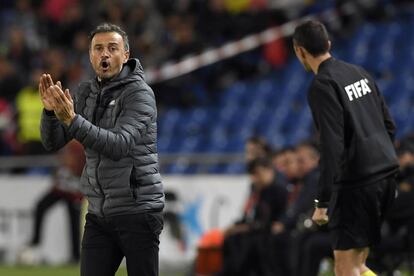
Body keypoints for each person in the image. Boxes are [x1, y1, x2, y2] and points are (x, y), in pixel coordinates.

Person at [39, 23, 164, 276]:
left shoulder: (139, 94)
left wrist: (73, 120)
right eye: (98, 48)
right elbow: (53, 142)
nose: (104, 54)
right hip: (99, 214)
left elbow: (118, 145)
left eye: (112, 48)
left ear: (126, 55)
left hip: (138, 211)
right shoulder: (86, 92)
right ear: (90, 55)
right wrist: (51, 113)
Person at [293, 20, 399, 276]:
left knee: (345, 268)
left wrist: (323, 201)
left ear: (300, 51)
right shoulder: (358, 72)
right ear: (328, 44)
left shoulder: (322, 85)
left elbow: (332, 145)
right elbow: (389, 125)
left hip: (357, 183)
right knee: (359, 265)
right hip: (384, 175)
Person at [18, 140, 85, 264]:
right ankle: (36, 240)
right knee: (41, 206)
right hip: (61, 187)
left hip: (74, 190)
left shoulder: (78, 146)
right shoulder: (67, 144)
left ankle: (75, 256)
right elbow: (61, 165)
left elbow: (81, 167)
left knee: (74, 224)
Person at [220, 157, 288, 276]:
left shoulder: (278, 190)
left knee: (249, 241)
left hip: (268, 231)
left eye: (257, 174)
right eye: (252, 175)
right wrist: (237, 226)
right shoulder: (257, 191)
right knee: (231, 238)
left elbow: (267, 220)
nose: (255, 178)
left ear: (268, 171)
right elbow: (250, 215)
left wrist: (245, 227)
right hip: (256, 229)